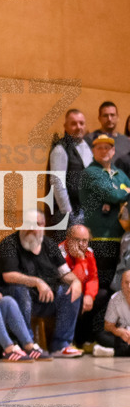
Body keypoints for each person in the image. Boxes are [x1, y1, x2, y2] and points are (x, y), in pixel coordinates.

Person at [0, 209, 83, 357]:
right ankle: (27, 343)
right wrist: (38, 282)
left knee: (70, 291)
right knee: (20, 291)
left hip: (42, 300)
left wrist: (76, 282)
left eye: (38, 224)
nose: (33, 228)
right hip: (12, 301)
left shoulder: (49, 245)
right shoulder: (8, 245)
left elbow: (65, 273)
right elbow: (8, 276)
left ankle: (61, 345)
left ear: (44, 227)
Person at [79, 134, 130, 314]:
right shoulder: (90, 173)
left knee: (114, 288)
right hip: (99, 239)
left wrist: (120, 194)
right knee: (98, 287)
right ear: (93, 152)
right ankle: (89, 335)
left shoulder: (120, 174)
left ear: (114, 151)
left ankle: (105, 333)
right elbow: (114, 195)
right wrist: (120, 194)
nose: (104, 151)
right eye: (99, 147)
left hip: (120, 239)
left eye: (107, 147)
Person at [46, 109, 91, 229]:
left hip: (88, 212)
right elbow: (57, 183)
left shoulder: (89, 147)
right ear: (65, 126)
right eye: (74, 123)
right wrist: (68, 214)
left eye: (81, 123)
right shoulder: (60, 149)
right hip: (70, 215)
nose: (78, 127)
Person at [58, 223, 99, 347]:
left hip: (81, 291)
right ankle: (68, 341)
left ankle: (86, 340)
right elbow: (72, 280)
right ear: (68, 239)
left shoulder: (89, 252)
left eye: (85, 240)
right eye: (77, 240)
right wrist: (81, 259)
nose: (81, 244)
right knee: (73, 294)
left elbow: (93, 278)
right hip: (61, 291)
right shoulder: (60, 252)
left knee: (101, 296)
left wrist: (89, 296)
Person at [86, 102, 130, 176]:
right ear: (99, 118)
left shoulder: (126, 140)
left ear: (117, 117)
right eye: (105, 116)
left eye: (112, 115)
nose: (109, 119)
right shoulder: (89, 139)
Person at [97, 270, 130, 356]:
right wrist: (119, 331)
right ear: (121, 284)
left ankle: (113, 352)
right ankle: (123, 350)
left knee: (122, 345)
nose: (129, 286)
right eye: (126, 283)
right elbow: (108, 325)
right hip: (122, 336)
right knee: (101, 336)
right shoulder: (115, 299)